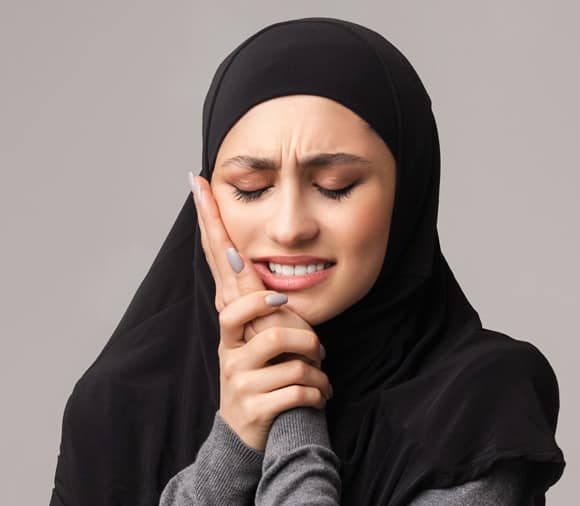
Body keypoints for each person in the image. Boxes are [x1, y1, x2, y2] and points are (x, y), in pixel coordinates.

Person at [48, 17, 565, 505]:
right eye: (251, 189)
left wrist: (286, 399)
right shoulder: (118, 402)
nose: (290, 226)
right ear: (207, 199)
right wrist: (232, 448)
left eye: (334, 187)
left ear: (406, 194)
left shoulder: (481, 404)